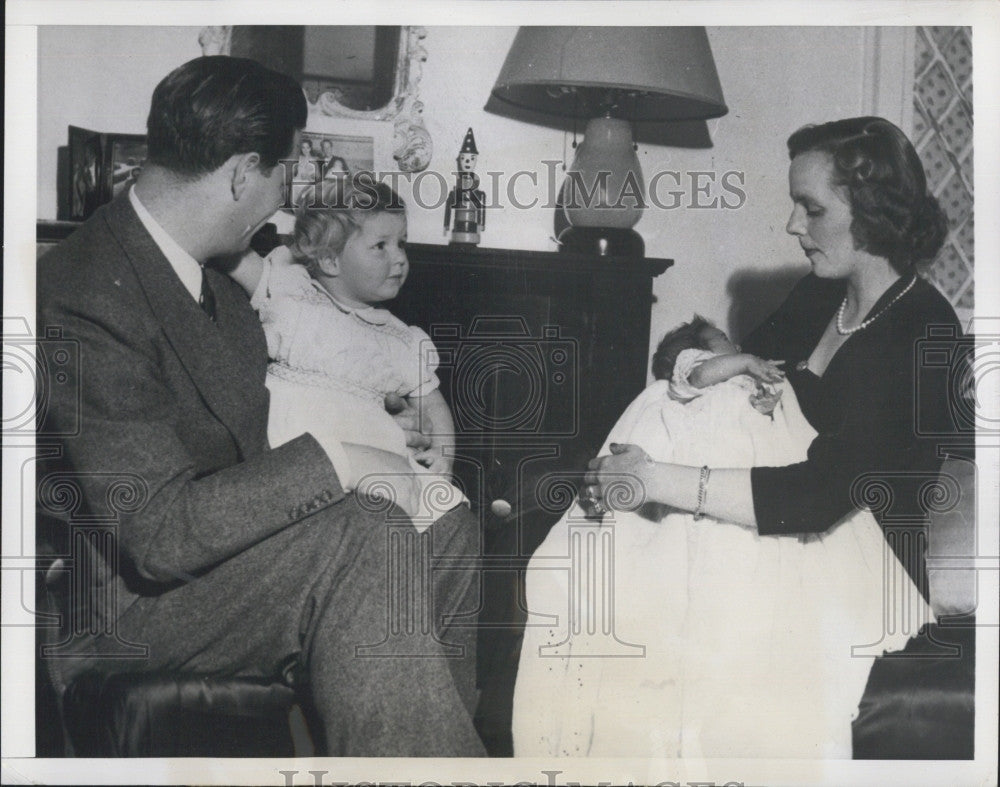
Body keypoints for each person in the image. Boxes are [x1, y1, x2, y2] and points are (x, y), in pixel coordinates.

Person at [36, 55, 485, 757]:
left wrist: (384, 442)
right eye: (283, 174)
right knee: (365, 530)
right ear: (244, 172)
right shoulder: (83, 288)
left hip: (221, 566)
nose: (283, 200)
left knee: (443, 524)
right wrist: (343, 458)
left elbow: (254, 445)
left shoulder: (216, 282)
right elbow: (157, 535)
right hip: (127, 611)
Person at [513, 116, 959, 758]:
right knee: (696, 407)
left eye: (811, 208)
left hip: (855, 561)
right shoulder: (818, 297)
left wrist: (656, 480)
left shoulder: (921, 330)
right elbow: (736, 399)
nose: (792, 227)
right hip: (771, 537)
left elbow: (820, 496)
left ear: (873, 211)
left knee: (647, 601)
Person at [227, 178, 464, 526]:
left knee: (432, 518)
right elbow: (231, 253)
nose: (399, 258)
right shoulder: (288, 288)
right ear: (329, 259)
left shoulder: (401, 339)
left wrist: (444, 455)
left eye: (402, 244)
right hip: (288, 448)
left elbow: (433, 404)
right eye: (380, 246)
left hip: (372, 454)